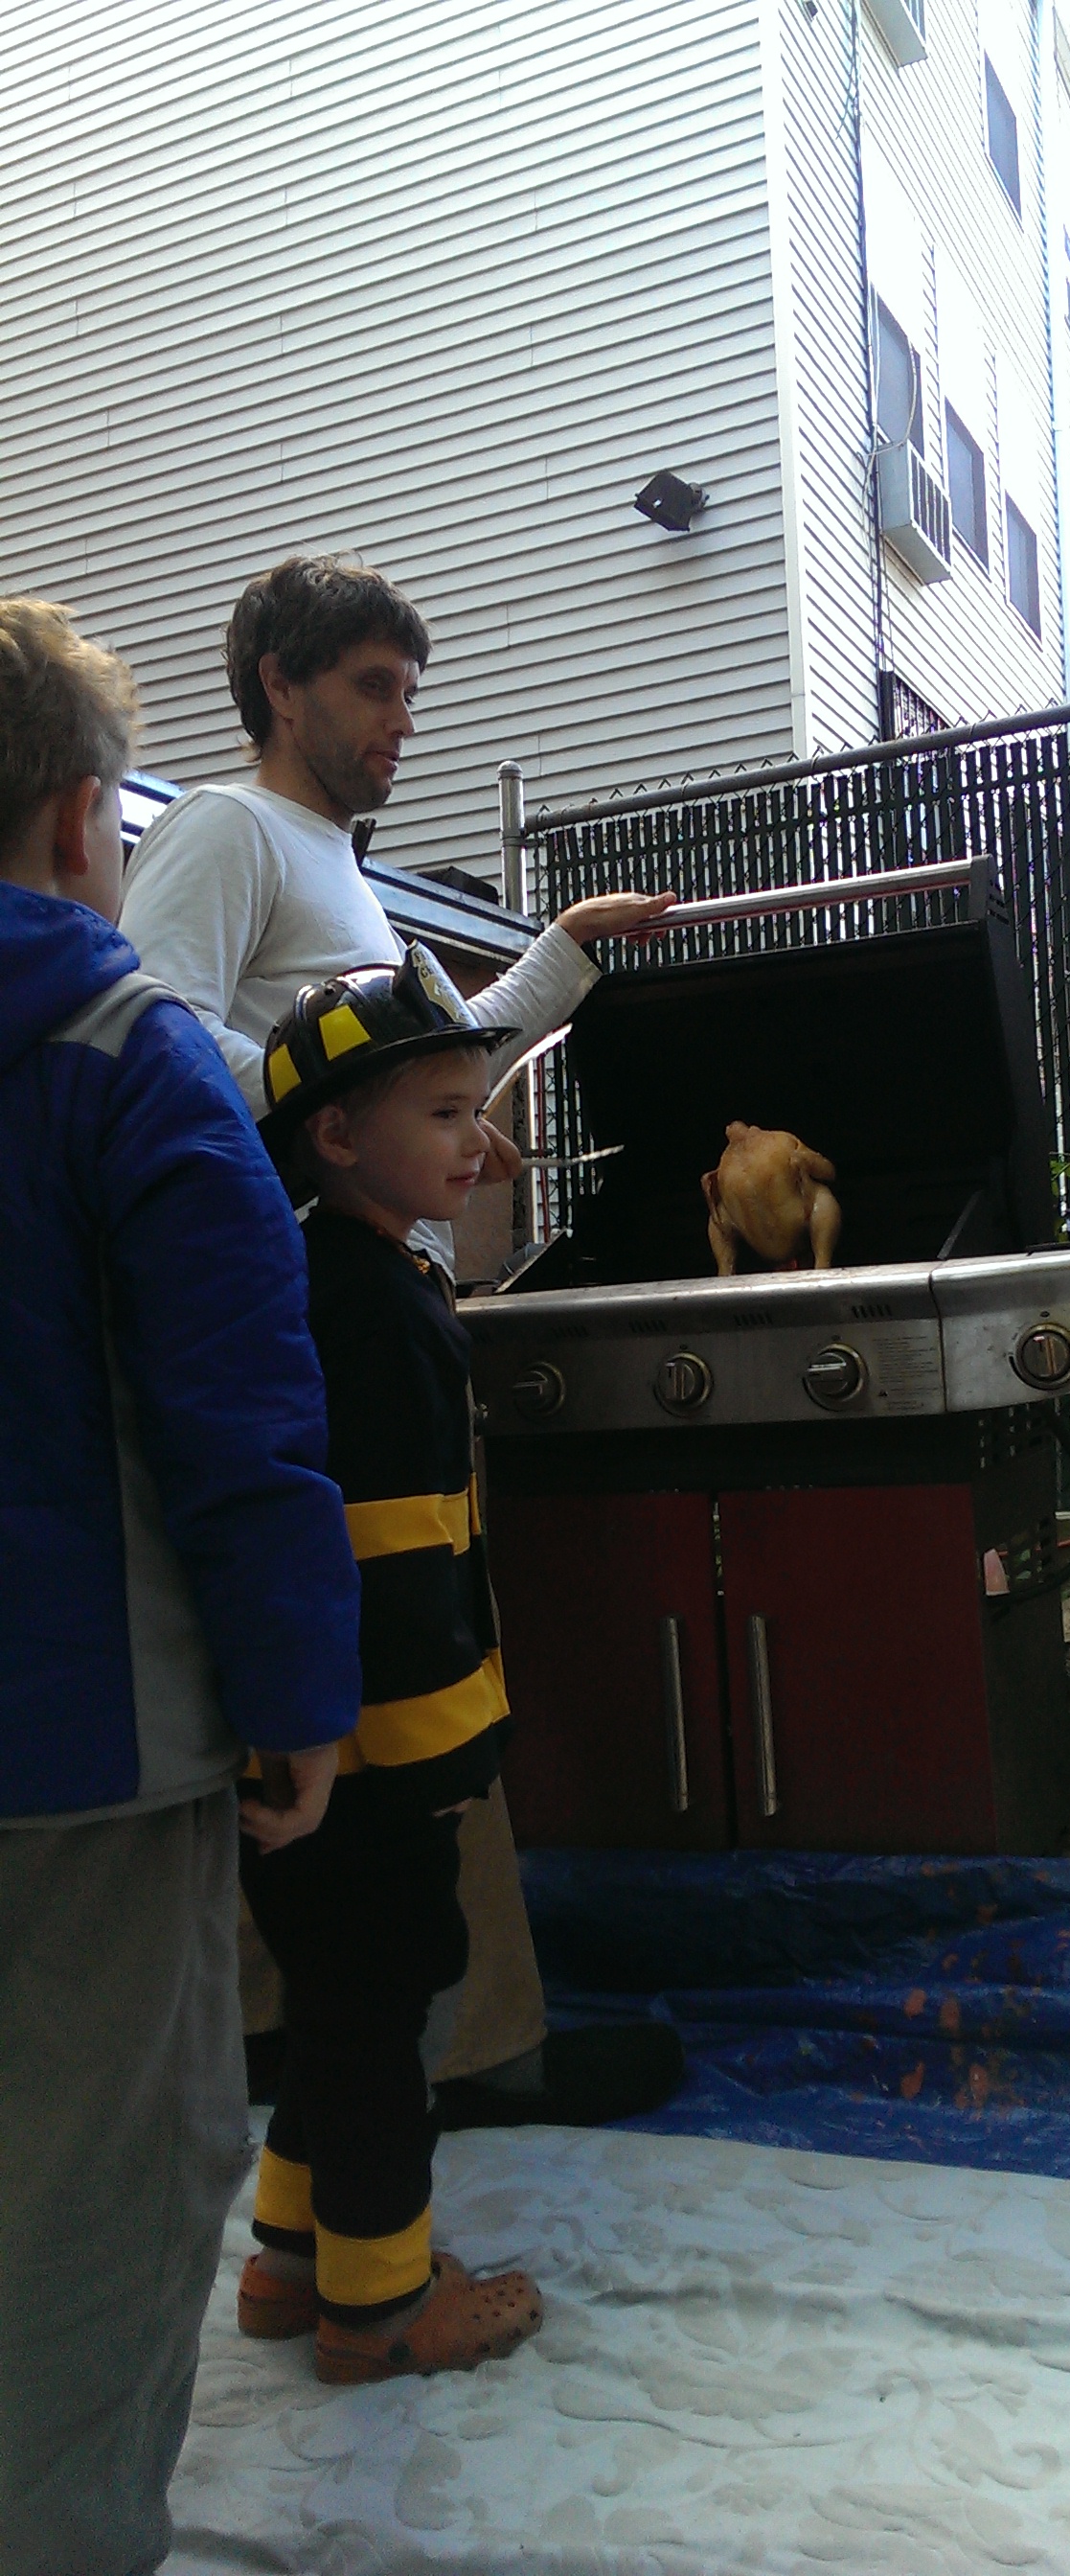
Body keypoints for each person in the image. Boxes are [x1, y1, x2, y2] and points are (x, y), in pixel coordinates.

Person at [120, 552, 682, 2128]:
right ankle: (458, 2045)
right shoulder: (227, 830)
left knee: (391, 1656)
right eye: (373, 686)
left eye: (411, 693)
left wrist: (562, 952)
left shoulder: (338, 868)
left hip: (366, 1302)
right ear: (280, 685)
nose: (401, 720)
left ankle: (354, 2035)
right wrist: (347, 1110)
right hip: (302, 1317)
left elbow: (427, 1062)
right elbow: (159, 1033)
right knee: (393, 1653)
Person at [0, 599, 361, 2576]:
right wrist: (301, 1701)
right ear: (83, 823)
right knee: (106, 2187)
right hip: (85, 1748)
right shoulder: (129, 1057)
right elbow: (245, 1423)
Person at [239, 947, 550, 2382]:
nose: (478, 1142)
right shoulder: (362, 1304)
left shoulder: (346, 1273)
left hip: (319, 1736)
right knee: (385, 2007)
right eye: (443, 1112)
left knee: (333, 1999)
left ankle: (287, 2263)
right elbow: (391, 1556)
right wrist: (444, 1747)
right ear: (337, 1136)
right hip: (374, 1750)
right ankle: (379, 2307)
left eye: (475, 1107)